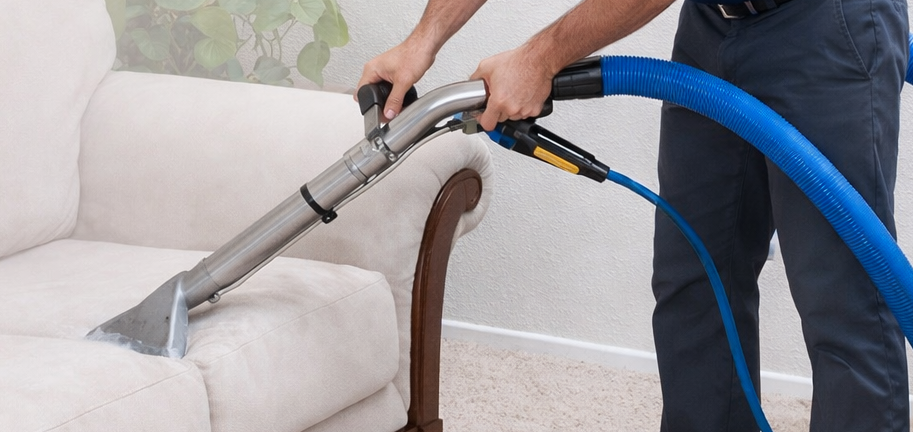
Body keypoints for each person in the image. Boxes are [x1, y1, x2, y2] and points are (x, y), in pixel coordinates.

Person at [357, 0, 910, 430]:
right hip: (714, 24)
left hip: (824, 23)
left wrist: (539, 59)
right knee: (695, 274)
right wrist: (421, 42)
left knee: (845, 296)